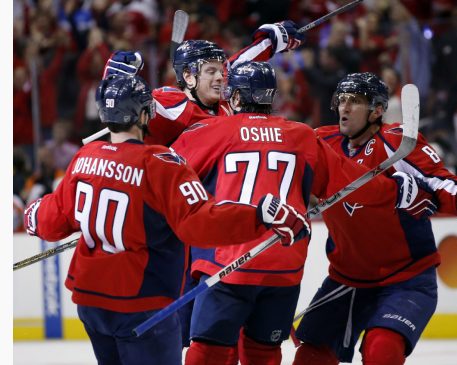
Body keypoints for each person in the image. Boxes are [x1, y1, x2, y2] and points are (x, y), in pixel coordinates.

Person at [22, 75, 310, 365]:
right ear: (145, 113)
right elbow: (200, 224)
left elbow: (52, 220)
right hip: (141, 304)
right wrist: (259, 215)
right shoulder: (160, 164)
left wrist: (31, 213)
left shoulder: (84, 157)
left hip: (90, 303)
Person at [169, 62, 437, 365]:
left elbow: (164, 173)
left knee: (208, 352)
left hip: (229, 263)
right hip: (283, 268)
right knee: (263, 353)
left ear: (235, 97)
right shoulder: (301, 135)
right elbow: (351, 182)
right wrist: (396, 189)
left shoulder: (210, 130)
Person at [293, 72, 457, 365]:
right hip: (346, 278)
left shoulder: (396, 141)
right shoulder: (321, 141)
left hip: (406, 278)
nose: (345, 108)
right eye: (342, 101)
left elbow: (440, 182)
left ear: (376, 110)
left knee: (381, 351)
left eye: (356, 102)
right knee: (310, 356)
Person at [103, 20, 305, 146]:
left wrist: (271, 42)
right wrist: (115, 81)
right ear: (189, 77)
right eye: (211, 71)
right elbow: (130, 105)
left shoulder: (221, 98)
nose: (220, 77)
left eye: (220, 71)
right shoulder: (174, 104)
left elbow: (234, 65)